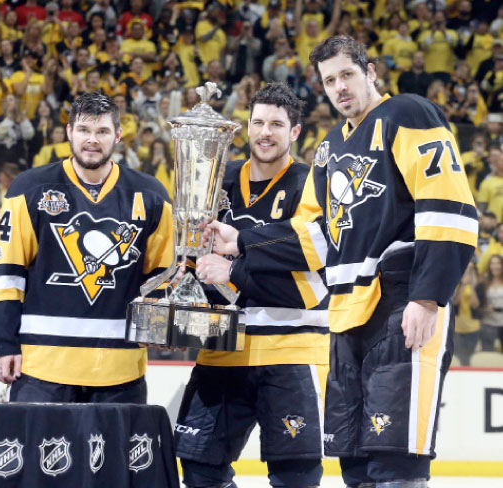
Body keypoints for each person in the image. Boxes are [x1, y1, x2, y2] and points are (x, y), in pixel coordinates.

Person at [199, 36, 477, 488]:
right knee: (356, 465)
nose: (339, 87)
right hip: (345, 319)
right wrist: (243, 240)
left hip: (399, 303)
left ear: (370, 73)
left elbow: (449, 208)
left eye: (347, 74)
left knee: (395, 463)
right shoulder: (330, 149)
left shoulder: (407, 114)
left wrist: (427, 297)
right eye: (330, 80)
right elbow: (313, 237)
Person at [175, 83, 329, 488]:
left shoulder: (313, 183)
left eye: (277, 124)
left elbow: (310, 266)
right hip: (223, 349)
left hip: (293, 351)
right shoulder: (218, 181)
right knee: (199, 470)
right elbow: (195, 257)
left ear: (295, 132)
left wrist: (235, 271)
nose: (265, 131)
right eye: (258, 122)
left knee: (296, 477)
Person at [0, 91, 173, 404]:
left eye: (102, 131)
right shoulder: (29, 188)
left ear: (118, 135)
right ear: (69, 132)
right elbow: (4, 273)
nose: (92, 140)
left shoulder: (150, 194)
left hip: (120, 368)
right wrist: (2, 344)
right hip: (41, 367)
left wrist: (165, 332)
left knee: (113, 455)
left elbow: (162, 277)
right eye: (84, 130)